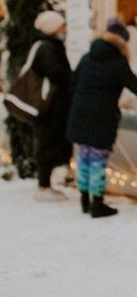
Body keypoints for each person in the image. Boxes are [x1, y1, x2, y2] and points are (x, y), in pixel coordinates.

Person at [67, 17, 137, 218]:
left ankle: (85, 200)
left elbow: (73, 84)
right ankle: (98, 203)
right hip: (101, 118)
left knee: (84, 156)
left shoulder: (86, 57)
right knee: (98, 160)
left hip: (80, 114)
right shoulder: (117, 63)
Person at [30, 10, 73, 202]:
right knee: (47, 142)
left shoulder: (48, 45)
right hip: (49, 105)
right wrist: (72, 78)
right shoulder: (48, 48)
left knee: (48, 141)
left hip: (52, 104)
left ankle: (46, 183)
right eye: (62, 26)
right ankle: (44, 185)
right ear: (53, 28)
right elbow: (57, 74)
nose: (65, 30)